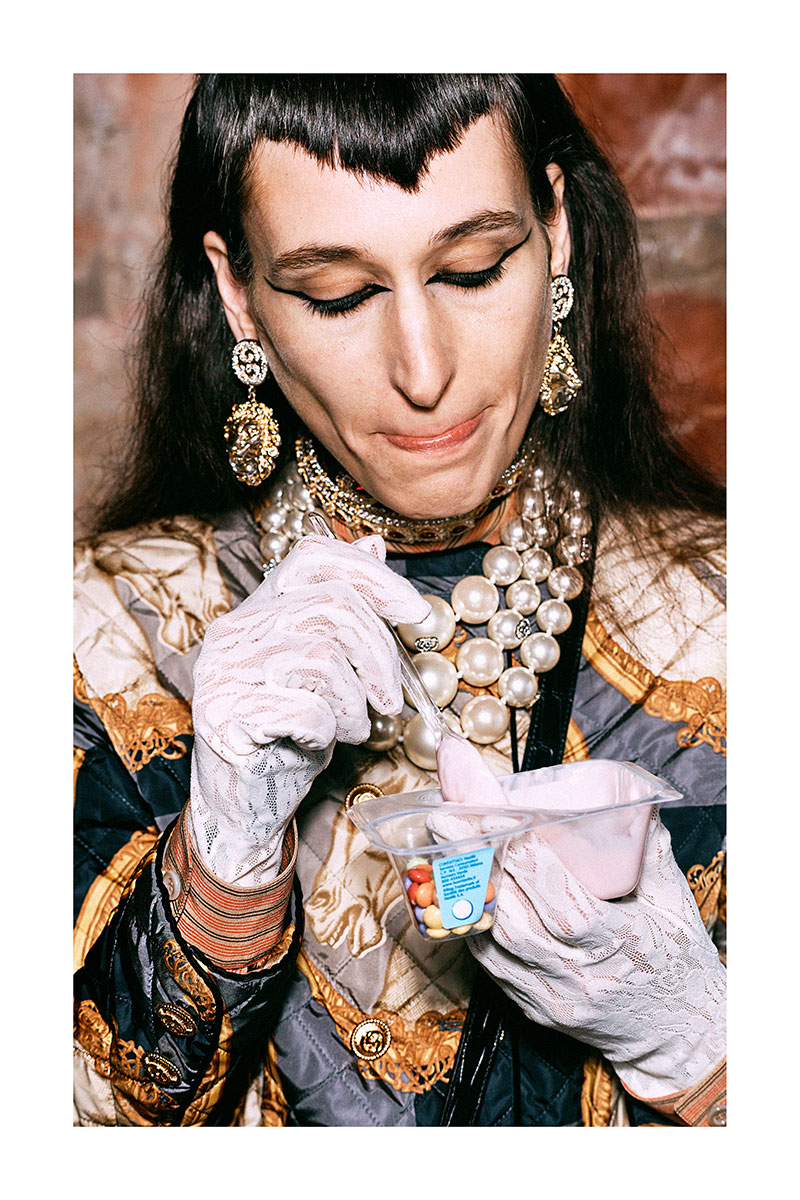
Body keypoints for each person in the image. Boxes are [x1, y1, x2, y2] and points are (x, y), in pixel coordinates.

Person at [73, 74, 726, 1127]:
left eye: (472, 269)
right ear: (238, 295)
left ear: (555, 235)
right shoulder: (104, 629)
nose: (423, 372)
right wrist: (222, 855)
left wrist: (708, 1053)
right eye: (338, 294)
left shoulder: (731, 612)